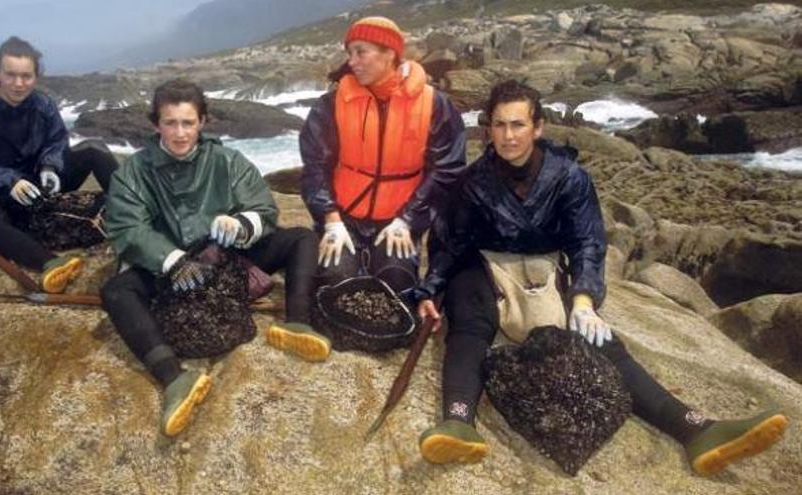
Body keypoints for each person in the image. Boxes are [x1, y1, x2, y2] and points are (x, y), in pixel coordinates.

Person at [413, 80, 787, 475]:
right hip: (485, 269)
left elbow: (587, 244)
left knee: (598, 339)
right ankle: (459, 422)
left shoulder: (569, 178)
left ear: (538, 127)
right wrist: (430, 290)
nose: (508, 136)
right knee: (468, 320)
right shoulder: (473, 183)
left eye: (518, 125)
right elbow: (449, 243)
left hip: (545, 268)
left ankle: (697, 429)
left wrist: (584, 301)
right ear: (489, 128)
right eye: (500, 125)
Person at [100, 79, 320, 436]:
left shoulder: (227, 160)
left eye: (188, 122)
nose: (180, 133)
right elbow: (128, 229)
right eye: (170, 123)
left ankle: (296, 323)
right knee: (115, 292)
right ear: (156, 124)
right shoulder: (133, 173)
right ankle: (174, 378)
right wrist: (170, 259)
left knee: (302, 238)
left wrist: (241, 223)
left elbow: (263, 208)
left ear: (203, 122)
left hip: (227, 257)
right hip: (170, 266)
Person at [292, 16, 466, 359]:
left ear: (390, 54)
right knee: (335, 280)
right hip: (343, 220)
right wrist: (329, 218)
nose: (351, 62)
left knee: (397, 284)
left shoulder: (435, 105)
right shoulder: (331, 104)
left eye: (361, 52)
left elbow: (447, 168)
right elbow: (314, 166)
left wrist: (409, 219)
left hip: (398, 223)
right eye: (350, 53)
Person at [0, 36, 118, 293]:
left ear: (36, 76)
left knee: (94, 149)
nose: (18, 84)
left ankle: (138, 212)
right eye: (10, 75)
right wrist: (7, 180)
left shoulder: (42, 104)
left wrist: (50, 166)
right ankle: (51, 264)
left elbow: (56, 140)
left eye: (26, 76)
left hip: (32, 182)